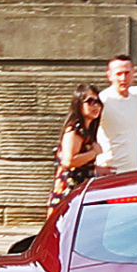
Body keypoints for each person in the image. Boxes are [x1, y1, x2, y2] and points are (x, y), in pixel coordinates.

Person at [47, 85, 103, 216]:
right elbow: (69, 161)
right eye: (90, 101)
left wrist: (97, 169)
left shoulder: (86, 130)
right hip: (70, 192)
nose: (95, 106)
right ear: (79, 104)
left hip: (79, 190)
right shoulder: (75, 130)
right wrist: (94, 153)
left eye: (98, 102)